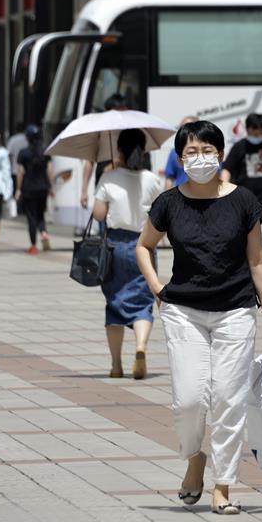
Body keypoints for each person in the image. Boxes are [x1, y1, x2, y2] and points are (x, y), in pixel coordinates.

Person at [135, 119, 262, 515]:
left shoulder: (243, 201)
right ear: (180, 157)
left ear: (220, 154)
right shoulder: (168, 203)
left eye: (207, 151)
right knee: (188, 400)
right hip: (183, 312)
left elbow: (257, 262)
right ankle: (194, 458)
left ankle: (223, 486)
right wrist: (157, 288)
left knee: (228, 399)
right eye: (191, 152)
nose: (199, 158)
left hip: (236, 310)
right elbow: (143, 246)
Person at [93, 128, 162, 380]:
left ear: (119, 150)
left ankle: (116, 365)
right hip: (144, 246)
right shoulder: (151, 179)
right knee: (143, 302)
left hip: (115, 246)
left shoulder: (109, 177)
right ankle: (140, 346)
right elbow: (161, 214)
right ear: (143, 150)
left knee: (114, 303)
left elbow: (99, 215)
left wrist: (108, 178)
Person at [221, 113, 262, 292]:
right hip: (242, 203)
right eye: (253, 132)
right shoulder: (239, 147)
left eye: (259, 132)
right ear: (247, 130)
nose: (256, 136)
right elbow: (227, 169)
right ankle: (244, 275)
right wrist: (223, 191)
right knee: (241, 240)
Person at [80, 93, 129, 210]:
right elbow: (89, 161)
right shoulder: (98, 130)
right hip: (103, 183)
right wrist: (84, 191)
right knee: (102, 217)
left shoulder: (130, 130)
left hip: (124, 184)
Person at [15, 125, 54, 255]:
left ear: (27, 137)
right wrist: (51, 187)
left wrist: (18, 189)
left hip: (28, 189)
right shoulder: (45, 151)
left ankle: (33, 246)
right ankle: (43, 233)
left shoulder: (23, 153)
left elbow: (20, 172)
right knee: (41, 214)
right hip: (43, 188)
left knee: (31, 217)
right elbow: (50, 170)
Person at [162, 116, 198, 190]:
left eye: (188, 127)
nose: (184, 131)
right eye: (181, 128)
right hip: (181, 194)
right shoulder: (174, 152)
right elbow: (169, 178)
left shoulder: (206, 151)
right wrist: (167, 196)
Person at [6, 122, 28, 194]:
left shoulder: (12, 139)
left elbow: (9, 154)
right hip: (27, 170)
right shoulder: (27, 139)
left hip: (15, 169)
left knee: (16, 191)